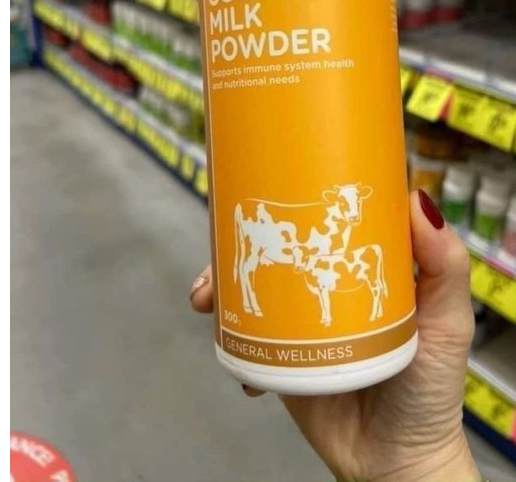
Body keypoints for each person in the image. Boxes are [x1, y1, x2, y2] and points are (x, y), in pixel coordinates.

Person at [189, 190, 483, 482]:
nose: (353, 211)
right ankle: (257, 304)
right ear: (335, 204)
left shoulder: (334, 228)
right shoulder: (300, 221)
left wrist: (430, 462)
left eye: (355, 204)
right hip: (265, 220)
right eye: (346, 205)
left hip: (408, 443)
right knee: (246, 262)